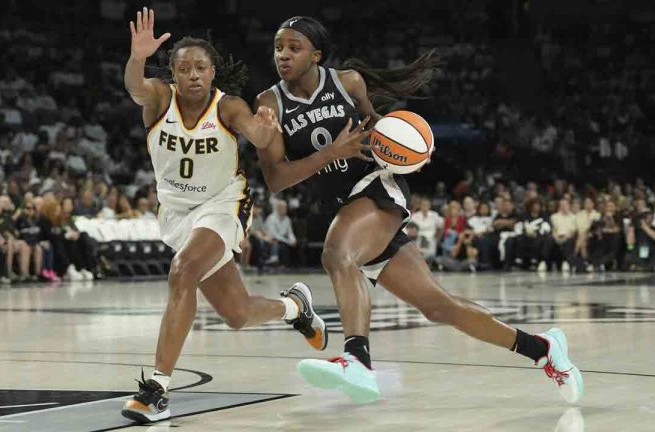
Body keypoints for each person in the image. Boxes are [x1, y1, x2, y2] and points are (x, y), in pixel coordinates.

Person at [255, 16, 582, 404]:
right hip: (344, 207)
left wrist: (410, 154)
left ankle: (357, 361)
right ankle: (543, 348)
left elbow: (378, 128)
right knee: (439, 307)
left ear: (316, 54)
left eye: (294, 47)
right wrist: (330, 153)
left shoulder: (348, 82)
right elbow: (276, 179)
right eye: (279, 47)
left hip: (376, 189)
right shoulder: (268, 103)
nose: (284, 55)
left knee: (335, 254)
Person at [120, 8, 326, 423]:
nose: (193, 74)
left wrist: (266, 131)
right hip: (177, 213)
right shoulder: (160, 98)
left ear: (213, 72)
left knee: (182, 272)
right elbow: (134, 87)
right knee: (237, 314)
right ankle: (295, 308)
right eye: (183, 68)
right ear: (173, 74)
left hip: (223, 205)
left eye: (200, 67)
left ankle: (156, 390)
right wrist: (137, 57)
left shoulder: (228, 106)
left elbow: (256, 133)